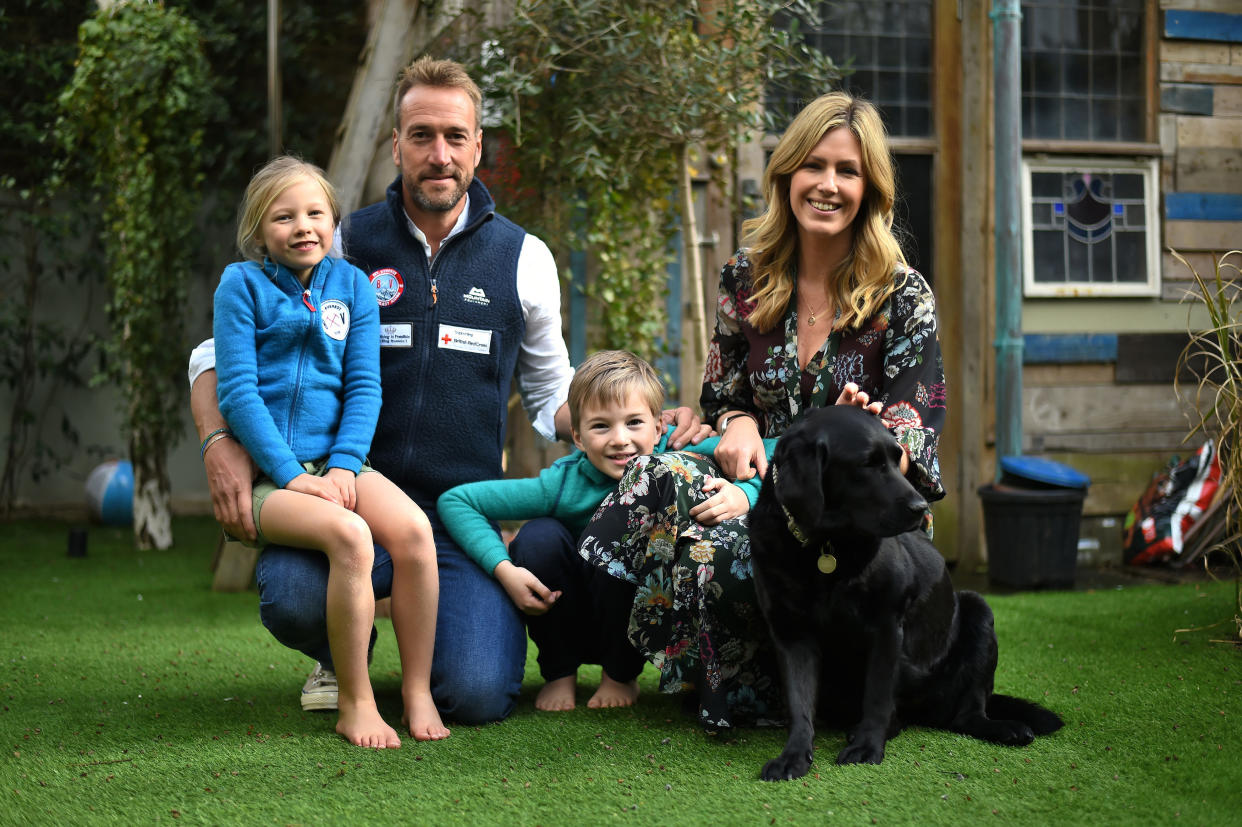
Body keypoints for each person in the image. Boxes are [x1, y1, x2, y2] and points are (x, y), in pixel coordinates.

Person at [189, 56, 700, 725]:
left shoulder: (524, 258)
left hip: (458, 513)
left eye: (455, 136)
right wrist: (217, 437)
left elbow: (552, 393)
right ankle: (343, 652)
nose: (438, 154)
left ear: (478, 145)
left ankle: (429, 661)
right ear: (395, 143)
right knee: (289, 595)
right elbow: (216, 351)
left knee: (480, 694)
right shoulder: (341, 240)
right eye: (421, 135)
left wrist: (635, 421)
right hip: (353, 494)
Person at [579, 92, 947, 731]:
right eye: (814, 166)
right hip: (753, 489)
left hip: (858, 524)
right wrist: (739, 421)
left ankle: (736, 690)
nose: (827, 185)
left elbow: (913, 432)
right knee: (657, 472)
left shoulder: (903, 293)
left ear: (871, 188)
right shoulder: (744, 279)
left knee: (716, 543)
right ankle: (616, 648)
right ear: (787, 174)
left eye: (848, 171)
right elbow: (722, 398)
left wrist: (862, 427)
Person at [211, 156, 447, 748]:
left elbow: (365, 386)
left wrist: (344, 463)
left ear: (333, 221)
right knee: (351, 537)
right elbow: (237, 393)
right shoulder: (240, 286)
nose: (302, 227)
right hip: (272, 476)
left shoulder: (352, 287)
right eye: (283, 217)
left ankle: (416, 690)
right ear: (258, 229)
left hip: (339, 461)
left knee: (416, 533)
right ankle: (356, 698)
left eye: (315, 212)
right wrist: (291, 475)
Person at [437, 350, 767, 712]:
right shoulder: (564, 483)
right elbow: (457, 501)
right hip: (571, 607)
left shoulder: (680, 453)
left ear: (659, 427)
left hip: (630, 615)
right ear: (577, 438)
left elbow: (776, 452)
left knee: (625, 539)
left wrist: (746, 493)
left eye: (634, 423)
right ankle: (560, 673)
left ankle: (619, 675)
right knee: (538, 537)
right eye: (600, 426)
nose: (620, 439)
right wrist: (504, 568)